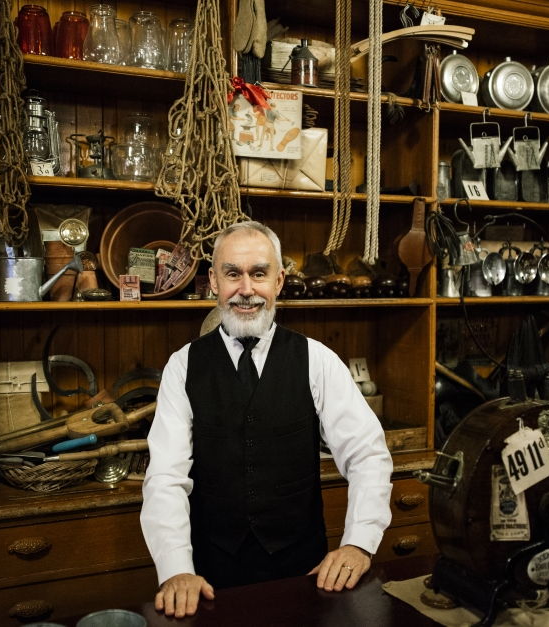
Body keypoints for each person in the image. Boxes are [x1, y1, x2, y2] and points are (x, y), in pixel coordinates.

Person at [140, 220, 393, 618]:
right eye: (232, 274)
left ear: (278, 282)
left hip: (305, 574)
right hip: (210, 579)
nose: (246, 290)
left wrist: (359, 543)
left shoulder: (317, 360)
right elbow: (165, 478)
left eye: (259, 274)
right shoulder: (183, 366)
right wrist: (175, 570)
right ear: (213, 282)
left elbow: (368, 455)